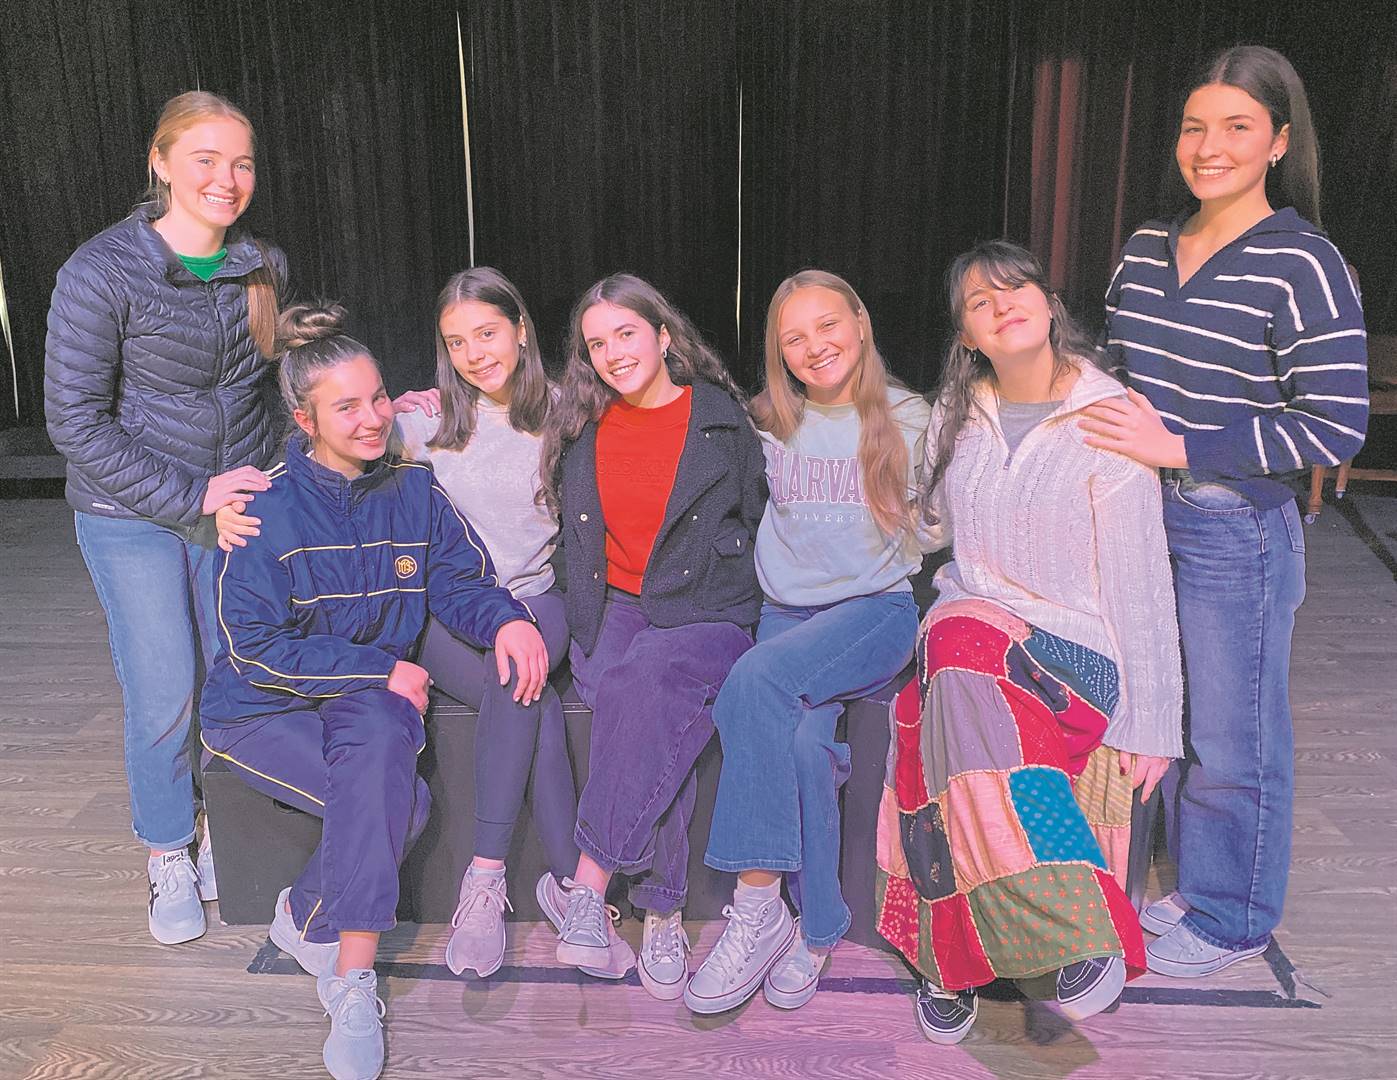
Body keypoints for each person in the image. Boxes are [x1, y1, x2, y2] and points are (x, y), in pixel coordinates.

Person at [200, 302, 547, 1080]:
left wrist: (506, 622)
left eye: (378, 397)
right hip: (261, 706)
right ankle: (342, 968)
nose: (372, 418)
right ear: (305, 420)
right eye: (347, 407)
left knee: (390, 770)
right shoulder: (263, 513)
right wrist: (380, 670)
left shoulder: (413, 489)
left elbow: (458, 579)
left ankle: (334, 951)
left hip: (362, 693)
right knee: (399, 801)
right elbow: (254, 649)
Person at [1085, 45, 1368, 978]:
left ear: (1278, 141)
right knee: (1159, 713)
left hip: (1230, 530)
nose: (1208, 147)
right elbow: (1114, 371)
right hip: (1134, 517)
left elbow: (1332, 423)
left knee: (1231, 737)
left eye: (1236, 127)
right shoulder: (1144, 244)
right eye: (1194, 127)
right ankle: (1197, 881)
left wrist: (1180, 447)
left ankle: (1232, 915)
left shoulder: (1303, 262)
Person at [878, 241, 1181, 1044]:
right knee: (938, 689)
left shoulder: (1106, 415)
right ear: (967, 335)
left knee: (951, 664)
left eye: (1014, 288)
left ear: (1048, 304)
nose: (1001, 304)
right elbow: (930, 527)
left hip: (1072, 659)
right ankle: (1025, 943)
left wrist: (1152, 719)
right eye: (978, 301)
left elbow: (1141, 577)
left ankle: (966, 957)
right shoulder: (954, 415)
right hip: (974, 640)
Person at [43, 90, 285, 945]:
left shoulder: (259, 265)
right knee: (164, 691)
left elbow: (268, 391)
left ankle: (220, 822)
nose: (227, 179)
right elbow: (74, 423)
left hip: (232, 508)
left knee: (232, 672)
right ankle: (167, 849)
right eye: (205, 160)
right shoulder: (100, 271)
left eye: (241, 163)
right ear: (161, 162)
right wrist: (192, 496)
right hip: (131, 513)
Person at [685, 270, 931, 1015]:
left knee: (753, 681)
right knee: (798, 746)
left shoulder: (911, 417)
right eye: (793, 338)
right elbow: (676, 406)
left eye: (827, 325)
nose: (814, 346)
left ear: (859, 322)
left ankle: (756, 907)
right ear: (778, 353)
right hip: (787, 617)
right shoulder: (766, 420)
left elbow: (949, 516)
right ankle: (819, 925)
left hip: (872, 613)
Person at [539, 273, 765, 998]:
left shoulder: (721, 423)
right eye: (596, 344)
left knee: (645, 683)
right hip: (613, 607)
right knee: (641, 707)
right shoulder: (582, 428)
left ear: (663, 336)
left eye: (626, 334)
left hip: (707, 608)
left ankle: (591, 888)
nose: (612, 354)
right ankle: (660, 912)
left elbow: (760, 518)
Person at [393, 267, 579, 979]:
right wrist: (240, 500)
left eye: (487, 333)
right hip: (450, 611)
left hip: (535, 601)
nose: (474, 354)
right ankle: (571, 887)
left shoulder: (566, 413)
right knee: (533, 697)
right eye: (456, 342)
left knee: (515, 675)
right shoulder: (429, 420)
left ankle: (484, 877)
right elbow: (338, 439)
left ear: (521, 329)